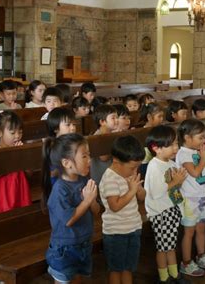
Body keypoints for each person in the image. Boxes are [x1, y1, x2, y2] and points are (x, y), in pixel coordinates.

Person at [43, 134, 100, 284]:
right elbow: (69, 220)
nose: (89, 160)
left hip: (84, 243)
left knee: (77, 279)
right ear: (67, 163)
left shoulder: (84, 180)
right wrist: (86, 201)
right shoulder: (60, 189)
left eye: (89, 155)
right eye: (84, 156)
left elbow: (96, 211)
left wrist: (92, 200)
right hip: (65, 248)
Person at [144, 125, 189, 284]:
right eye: (171, 145)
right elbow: (156, 192)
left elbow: (174, 187)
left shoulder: (169, 163)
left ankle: (175, 274)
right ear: (156, 148)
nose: (176, 148)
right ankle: (164, 278)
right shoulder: (154, 166)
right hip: (161, 213)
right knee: (163, 248)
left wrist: (179, 182)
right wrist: (176, 181)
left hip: (171, 209)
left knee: (170, 246)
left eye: (176, 143)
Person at [99, 135, 146, 284]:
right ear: (116, 161)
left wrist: (138, 190)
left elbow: (142, 197)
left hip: (133, 228)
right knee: (116, 269)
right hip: (116, 233)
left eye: (137, 167)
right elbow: (115, 206)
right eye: (132, 167)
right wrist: (132, 191)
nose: (135, 171)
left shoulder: (129, 174)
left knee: (128, 267)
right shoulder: (109, 179)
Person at [176, 119, 205, 277]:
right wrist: (204, 158)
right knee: (189, 232)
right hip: (189, 199)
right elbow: (194, 172)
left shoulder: (196, 152)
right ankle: (185, 263)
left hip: (201, 196)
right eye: (200, 137)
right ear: (187, 138)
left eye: (204, 138)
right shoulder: (183, 153)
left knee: (201, 228)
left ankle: (201, 255)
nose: (203, 141)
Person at [0, 111, 32, 216]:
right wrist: (14, 154)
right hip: (1, 192)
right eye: (12, 133)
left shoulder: (20, 148)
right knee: (1, 216)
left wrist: (21, 154)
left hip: (18, 189)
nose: (17, 136)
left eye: (20, 132)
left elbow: (29, 173)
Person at [90, 105, 119, 185]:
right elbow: (104, 157)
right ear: (102, 122)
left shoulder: (109, 134)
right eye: (113, 118)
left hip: (109, 173)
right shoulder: (98, 136)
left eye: (117, 117)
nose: (117, 120)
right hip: (101, 175)